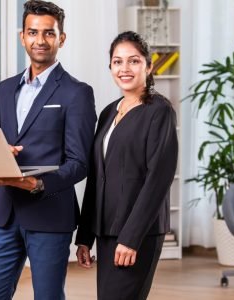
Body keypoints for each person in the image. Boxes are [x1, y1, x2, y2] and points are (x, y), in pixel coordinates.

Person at [0, 1, 97, 299]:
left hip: (50, 212)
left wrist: (38, 183)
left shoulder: (76, 92)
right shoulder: (5, 89)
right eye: (33, 32)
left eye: (48, 33)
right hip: (6, 212)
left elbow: (79, 163)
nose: (40, 40)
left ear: (61, 38)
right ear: (22, 36)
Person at [75, 31, 178, 300]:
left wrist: (131, 238)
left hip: (137, 233)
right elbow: (97, 178)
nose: (125, 68)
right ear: (110, 67)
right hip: (106, 229)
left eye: (133, 61)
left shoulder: (159, 111)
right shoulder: (109, 112)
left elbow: (158, 179)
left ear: (148, 64)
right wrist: (85, 236)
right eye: (117, 62)